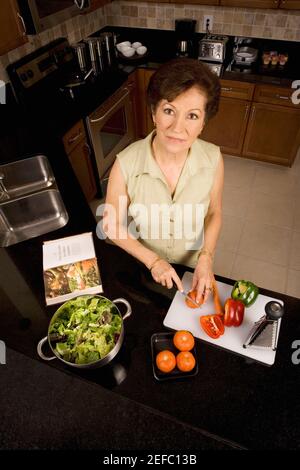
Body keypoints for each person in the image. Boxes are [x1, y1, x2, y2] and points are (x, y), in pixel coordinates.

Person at [103, 58, 224, 304]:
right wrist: (154, 261)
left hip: (192, 267)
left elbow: (214, 212)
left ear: (203, 124)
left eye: (192, 115)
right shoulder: (125, 162)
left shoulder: (213, 158)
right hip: (145, 268)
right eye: (169, 110)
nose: (177, 127)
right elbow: (111, 224)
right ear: (153, 113)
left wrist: (206, 257)